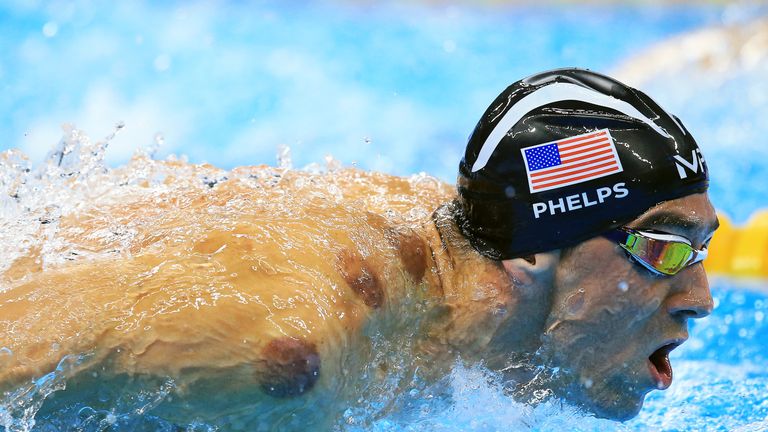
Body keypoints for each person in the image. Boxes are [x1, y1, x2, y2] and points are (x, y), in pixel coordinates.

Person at [0, 68, 717, 428]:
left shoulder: (451, 252)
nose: (701, 300)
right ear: (531, 256)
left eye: (703, 250)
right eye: (665, 250)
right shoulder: (282, 355)